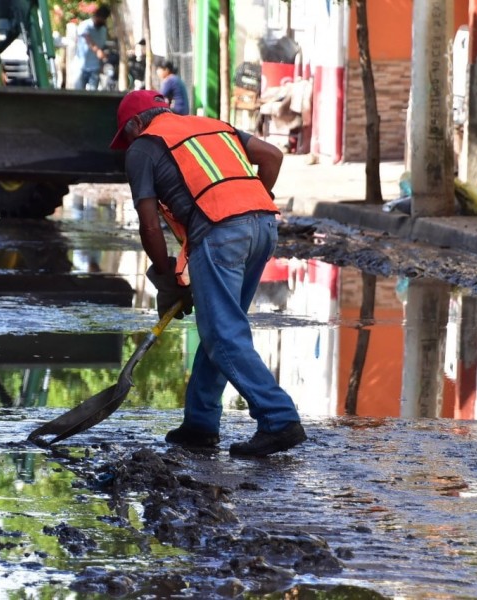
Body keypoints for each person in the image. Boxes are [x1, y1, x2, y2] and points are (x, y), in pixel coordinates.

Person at [109, 90, 306, 457]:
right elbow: (272, 156)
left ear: (135, 124)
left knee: (220, 333)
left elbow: (150, 227)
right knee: (221, 327)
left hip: (220, 234)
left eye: (127, 136)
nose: (128, 145)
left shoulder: (144, 147)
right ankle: (200, 423)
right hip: (263, 226)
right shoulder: (213, 125)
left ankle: (279, 419)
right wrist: (248, 204)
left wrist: (167, 278)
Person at [74, 5, 111, 90]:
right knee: (78, 94)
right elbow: (88, 40)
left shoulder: (103, 29)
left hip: (95, 67)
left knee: (92, 93)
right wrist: (98, 51)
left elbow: (103, 46)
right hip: (81, 66)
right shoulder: (85, 25)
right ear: (97, 16)